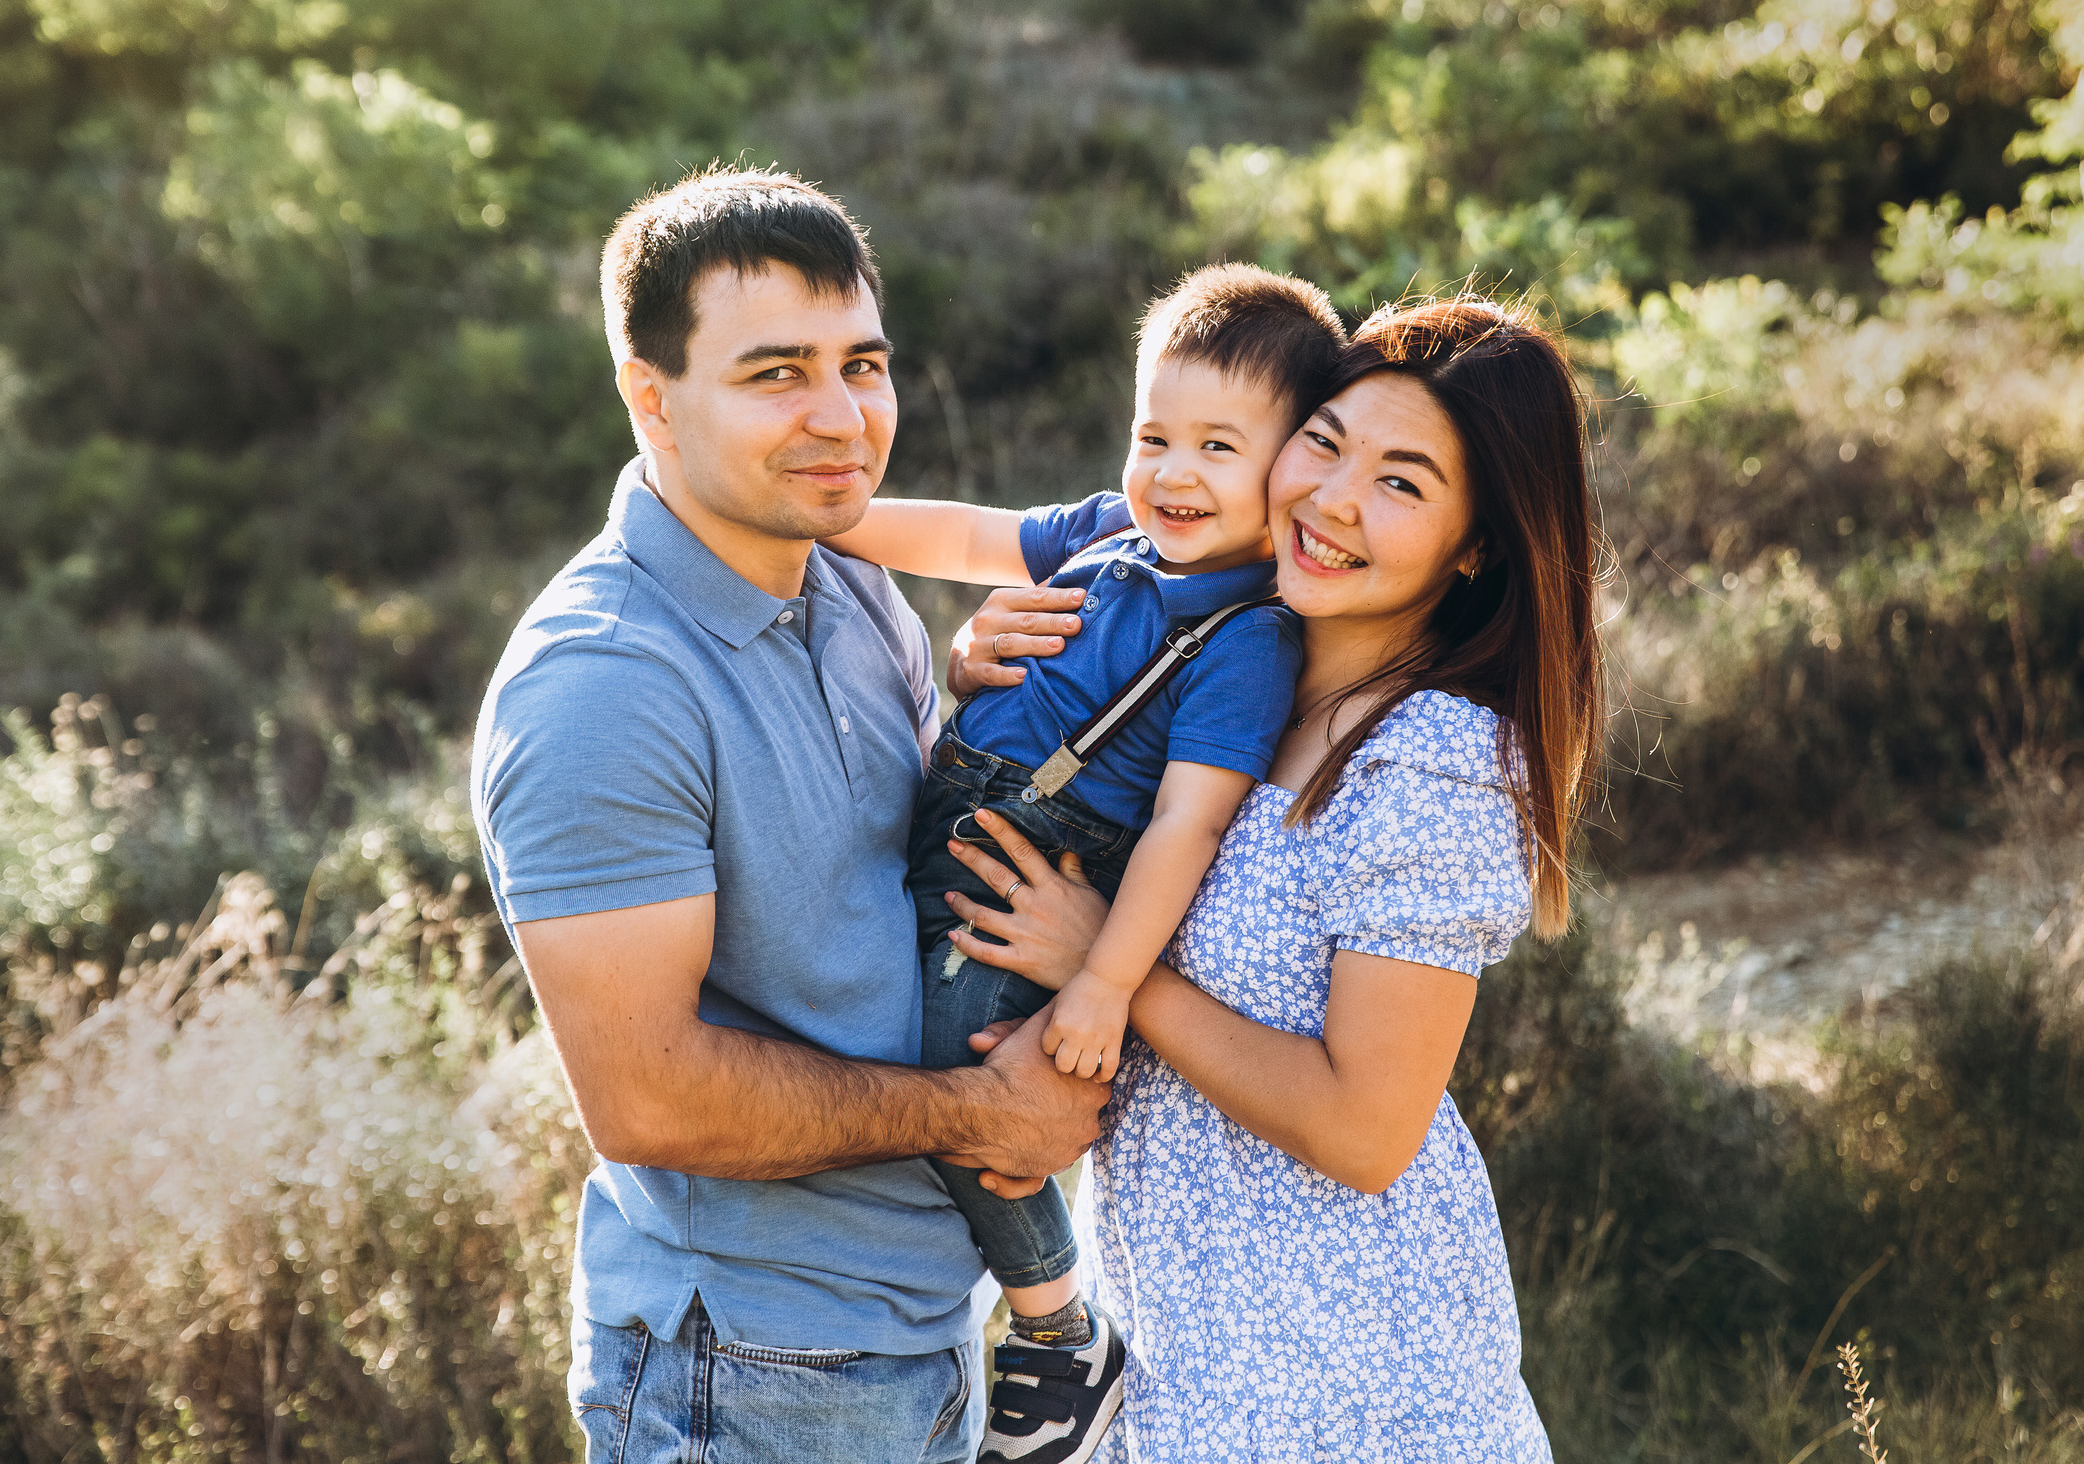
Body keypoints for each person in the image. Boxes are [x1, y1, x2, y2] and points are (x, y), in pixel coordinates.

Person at [468, 167, 1108, 1464]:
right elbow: (650, 1097)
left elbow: (881, 886)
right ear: (652, 397)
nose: (841, 415)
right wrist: (970, 1115)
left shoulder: (855, 585)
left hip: (927, 1323)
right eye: (775, 374)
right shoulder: (601, 682)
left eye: (861, 363)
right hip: (747, 1368)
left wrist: (984, 717)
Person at [937, 295, 1604, 1461]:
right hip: (1184, 1361)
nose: (1333, 500)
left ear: (1476, 545)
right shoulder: (1234, 667)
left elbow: (1365, 1130)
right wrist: (984, 658)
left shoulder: (1429, 758)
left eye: (1401, 483)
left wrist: (1108, 970)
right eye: (1326, 442)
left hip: (1351, 1385)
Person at [827, 266, 1346, 1464]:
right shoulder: (1114, 536)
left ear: (1288, 475)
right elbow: (964, 535)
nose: (1172, 473)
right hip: (947, 826)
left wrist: (1106, 984)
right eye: (1152, 435)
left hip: (1038, 874)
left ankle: (1060, 1334)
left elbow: (1184, 829)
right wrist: (809, 517)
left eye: (1220, 447)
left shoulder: (1248, 634)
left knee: (954, 1067)